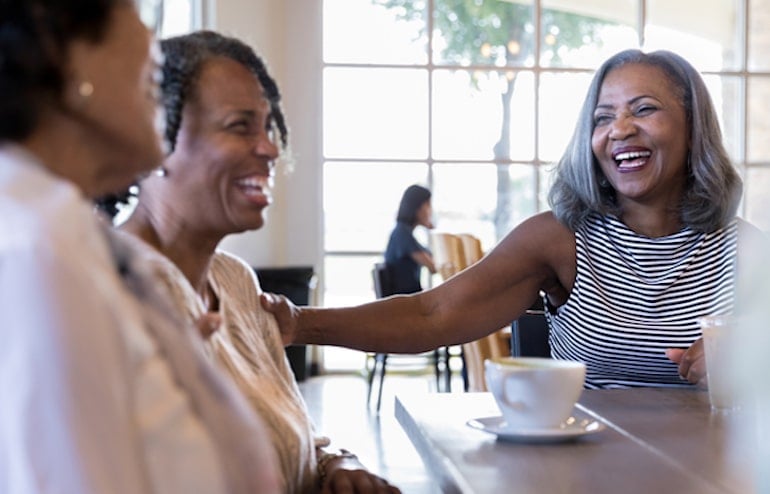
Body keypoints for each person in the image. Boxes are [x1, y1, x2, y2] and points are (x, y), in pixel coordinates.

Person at [263, 48, 767, 390]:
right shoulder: (559, 240)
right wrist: (297, 323)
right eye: (602, 117)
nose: (620, 129)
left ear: (692, 124)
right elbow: (432, 314)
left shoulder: (747, 252)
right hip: (587, 470)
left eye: (644, 109)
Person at [99, 30, 400, 494]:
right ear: (155, 140)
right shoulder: (108, 289)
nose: (270, 148)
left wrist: (336, 463)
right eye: (240, 126)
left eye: (267, 126)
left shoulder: (236, 281)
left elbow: (288, 428)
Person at [0, 2, 281, 493]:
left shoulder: (69, 235)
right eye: (131, 8)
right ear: (66, 56)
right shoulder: (39, 250)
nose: (152, 34)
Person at [384, 184, 437, 294]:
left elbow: (430, 256)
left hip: (407, 298)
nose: (430, 211)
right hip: (406, 300)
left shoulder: (402, 231)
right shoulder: (402, 234)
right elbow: (433, 267)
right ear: (417, 207)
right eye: (428, 205)